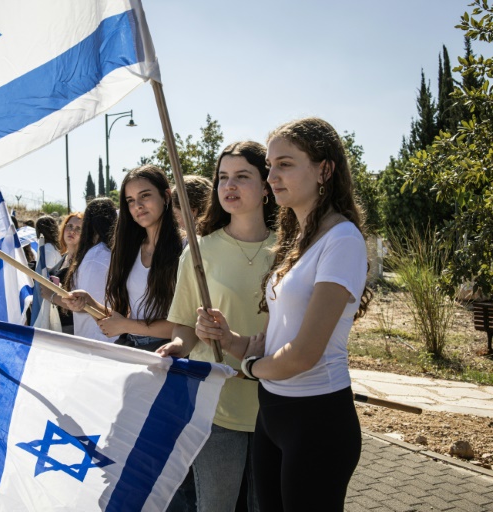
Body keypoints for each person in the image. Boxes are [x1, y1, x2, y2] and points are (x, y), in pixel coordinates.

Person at [195, 118, 372, 512]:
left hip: (316, 419)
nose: (272, 176)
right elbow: (272, 342)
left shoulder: (342, 239)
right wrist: (229, 339)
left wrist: (251, 368)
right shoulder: (298, 240)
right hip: (273, 413)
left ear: (324, 170)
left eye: (285, 164)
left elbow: (303, 354)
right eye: (270, 165)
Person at [158, 141, 276, 512]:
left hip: (276, 403)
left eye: (242, 176)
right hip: (217, 404)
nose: (229, 185)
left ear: (266, 185)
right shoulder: (198, 250)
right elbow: (184, 324)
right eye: (223, 177)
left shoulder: (292, 249)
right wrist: (178, 346)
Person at [64, 165, 183, 352]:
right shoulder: (129, 250)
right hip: (132, 349)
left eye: (145, 195)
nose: (138, 206)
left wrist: (126, 325)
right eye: (130, 200)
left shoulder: (187, 248)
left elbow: (188, 326)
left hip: (168, 354)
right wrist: (89, 303)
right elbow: (125, 318)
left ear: (166, 196)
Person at [55, 198, 117, 342]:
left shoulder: (96, 256)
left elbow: (85, 305)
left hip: (96, 338)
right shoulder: (106, 253)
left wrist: (52, 296)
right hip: (103, 337)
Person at [40, 212, 83, 334]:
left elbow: (80, 303)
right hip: (56, 324)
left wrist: (51, 295)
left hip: (72, 328)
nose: (72, 231)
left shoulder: (82, 261)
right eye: (69, 226)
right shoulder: (64, 257)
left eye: (78, 229)